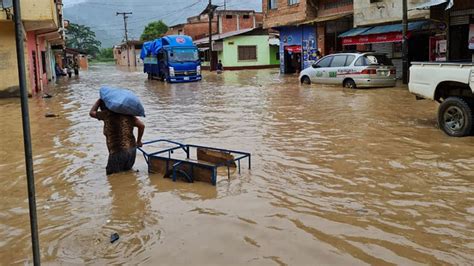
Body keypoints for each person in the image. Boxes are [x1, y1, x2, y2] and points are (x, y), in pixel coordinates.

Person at [89, 99, 145, 175]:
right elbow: (141, 126)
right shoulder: (128, 115)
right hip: (131, 151)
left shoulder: (106, 114)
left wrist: (98, 101)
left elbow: (91, 113)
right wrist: (138, 141)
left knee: (112, 177)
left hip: (117, 152)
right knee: (127, 175)